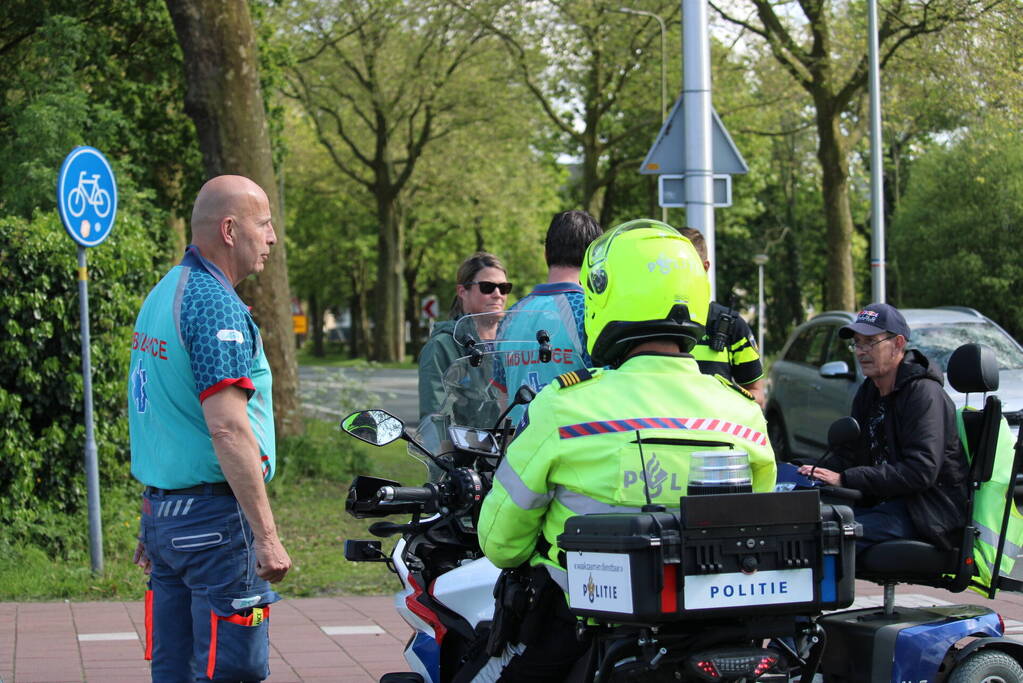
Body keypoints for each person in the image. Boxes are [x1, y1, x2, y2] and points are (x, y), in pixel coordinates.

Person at [458, 219, 776, 682]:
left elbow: (501, 543)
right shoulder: (742, 414)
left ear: (603, 300)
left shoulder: (564, 407)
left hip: (584, 626)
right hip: (708, 627)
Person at [128, 175, 291, 682]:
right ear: (229, 229)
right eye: (264, 224)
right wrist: (266, 536)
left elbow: (158, 410)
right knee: (231, 670)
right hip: (215, 523)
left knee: (174, 670)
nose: (272, 238)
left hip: (168, 518)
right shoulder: (213, 304)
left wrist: (155, 515)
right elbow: (228, 430)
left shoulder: (164, 294)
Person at [798, 303, 968, 552]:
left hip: (926, 513)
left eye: (870, 342)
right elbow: (849, 456)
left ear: (898, 344)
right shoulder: (869, 391)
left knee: (830, 537)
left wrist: (845, 478)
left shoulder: (924, 394)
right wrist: (804, 470)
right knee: (804, 526)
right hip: (883, 504)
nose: (861, 352)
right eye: (857, 343)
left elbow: (920, 471)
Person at [498, 210, 602, 417]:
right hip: (572, 436)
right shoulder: (592, 310)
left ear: (546, 253)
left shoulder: (510, 316)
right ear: (594, 256)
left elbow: (502, 396)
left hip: (518, 437)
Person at [417, 251, 511, 420]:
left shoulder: (517, 341)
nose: (498, 294)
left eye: (504, 288)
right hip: (468, 438)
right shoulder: (442, 346)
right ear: (462, 291)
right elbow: (435, 417)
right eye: (487, 287)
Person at [679, 227, 765, 406]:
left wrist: (721, 404)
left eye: (686, 266)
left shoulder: (730, 325)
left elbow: (757, 394)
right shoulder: (643, 321)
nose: (678, 273)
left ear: (705, 267)